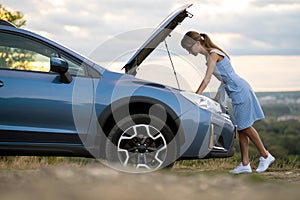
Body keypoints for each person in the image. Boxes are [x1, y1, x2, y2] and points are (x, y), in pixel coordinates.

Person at [181, 31, 275, 174]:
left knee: (245, 127)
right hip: (236, 92)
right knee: (242, 128)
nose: (189, 52)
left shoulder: (213, 54)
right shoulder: (210, 57)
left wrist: (196, 97)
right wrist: (217, 100)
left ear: (197, 43)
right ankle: (245, 164)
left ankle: (265, 155)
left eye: (188, 48)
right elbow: (223, 82)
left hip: (240, 90)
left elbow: (206, 80)